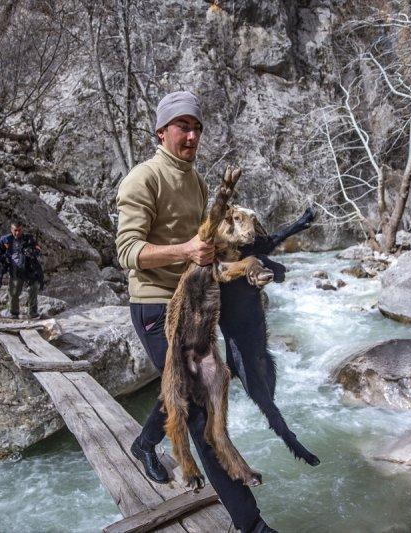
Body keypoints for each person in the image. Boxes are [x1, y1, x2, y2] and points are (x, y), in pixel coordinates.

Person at [116, 91, 275, 533]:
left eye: (196, 127)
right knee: (201, 409)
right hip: (154, 306)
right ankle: (251, 524)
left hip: (196, 302)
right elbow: (127, 252)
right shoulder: (141, 179)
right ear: (161, 131)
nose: (190, 135)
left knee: (184, 390)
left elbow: (206, 249)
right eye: (182, 126)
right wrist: (185, 249)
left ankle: (144, 443)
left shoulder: (199, 182)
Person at [0, 220, 43, 319]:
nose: (17, 233)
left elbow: (38, 250)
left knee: (33, 288)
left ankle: (32, 312)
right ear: (11, 229)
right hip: (15, 268)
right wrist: (3, 259)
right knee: (14, 292)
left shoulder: (28, 238)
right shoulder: (5, 240)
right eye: (15, 230)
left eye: (19, 230)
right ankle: (13, 312)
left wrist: (32, 252)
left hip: (29, 268)